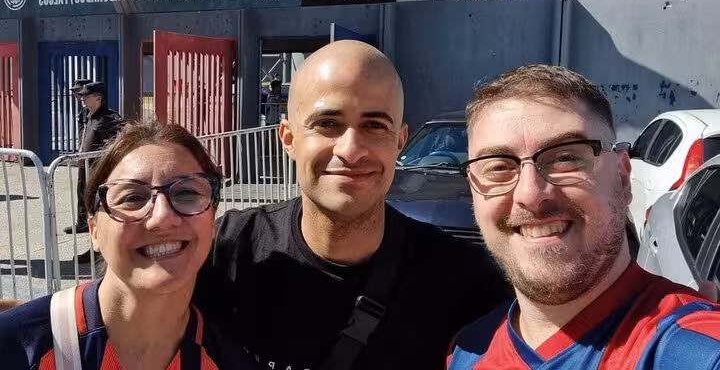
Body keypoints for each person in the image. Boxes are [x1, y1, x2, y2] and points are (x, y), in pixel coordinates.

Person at [193, 40, 511, 370]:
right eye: (328, 124)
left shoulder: (464, 280)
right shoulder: (225, 251)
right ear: (288, 139)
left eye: (374, 125)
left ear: (399, 142)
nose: (351, 149)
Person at [448, 65, 720, 369]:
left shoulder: (695, 351)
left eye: (565, 158)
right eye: (498, 167)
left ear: (623, 178)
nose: (530, 194)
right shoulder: (466, 353)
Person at [0, 121, 258, 369]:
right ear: (94, 230)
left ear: (212, 221)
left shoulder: (230, 360)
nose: (162, 217)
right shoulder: (16, 349)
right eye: (133, 197)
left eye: (186, 193)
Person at [64, 81, 124, 237]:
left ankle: (97, 248)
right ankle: (84, 225)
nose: (82, 98)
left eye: (86, 95)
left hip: (98, 168)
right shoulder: (88, 115)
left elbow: (126, 134)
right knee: (84, 197)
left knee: (98, 205)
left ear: (98, 98)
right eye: (81, 95)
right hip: (85, 164)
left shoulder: (109, 117)